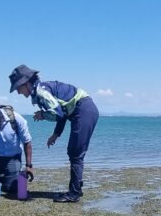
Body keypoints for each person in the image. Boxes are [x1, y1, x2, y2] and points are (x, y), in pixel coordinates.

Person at [8, 64, 99, 203]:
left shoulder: (41, 92)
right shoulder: (41, 90)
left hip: (84, 109)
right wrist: (56, 134)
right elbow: (62, 112)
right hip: (81, 110)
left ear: (26, 83)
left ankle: (74, 193)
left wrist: (42, 115)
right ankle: (76, 188)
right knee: (74, 152)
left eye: (18, 88)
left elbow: (58, 113)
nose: (18, 92)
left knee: (75, 152)